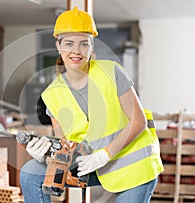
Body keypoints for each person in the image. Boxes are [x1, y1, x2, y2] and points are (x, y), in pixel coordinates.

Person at [20, 6, 164, 203]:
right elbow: (65, 147)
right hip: (90, 165)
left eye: (84, 44)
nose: (76, 51)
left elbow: (138, 122)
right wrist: (45, 156)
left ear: (92, 46)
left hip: (132, 165)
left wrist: (104, 155)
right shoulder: (51, 95)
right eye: (69, 43)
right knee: (31, 172)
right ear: (58, 45)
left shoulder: (112, 72)